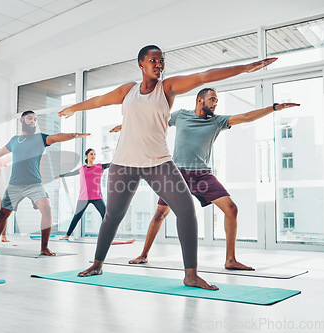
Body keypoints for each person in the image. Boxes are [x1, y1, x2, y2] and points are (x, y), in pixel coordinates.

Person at [59, 44, 277, 290]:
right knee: (113, 216)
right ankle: (97, 263)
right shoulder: (128, 90)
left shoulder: (167, 88)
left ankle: (191, 274)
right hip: (124, 163)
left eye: (161, 61)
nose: (159, 64)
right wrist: (73, 108)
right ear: (141, 63)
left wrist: (245, 68)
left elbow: (204, 76)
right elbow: (99, 101)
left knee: (186, 210)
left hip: (158, 162)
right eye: (153, 60)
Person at [110, 88, 299, 269]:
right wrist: (127, 127)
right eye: (213, 99)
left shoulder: (218, 121)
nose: (215, 103)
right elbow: (155, 121)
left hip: (202, 175)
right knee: (159, 215)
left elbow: (247, 116)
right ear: (200, 100)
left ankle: (230, 260)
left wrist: (274, 108)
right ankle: (143, 255)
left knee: (231, 209)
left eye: (216, 100)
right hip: (177, 174)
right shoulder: (181, 115)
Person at [0, 110, 90, 256]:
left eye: (35, 119)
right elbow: (0, 153)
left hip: (34, 184)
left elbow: (56, 138)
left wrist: (73, 135)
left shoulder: (40, 138)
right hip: (15, 185)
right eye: (30, 118)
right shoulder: (14, 140)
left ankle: (44, 247)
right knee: (3, 214)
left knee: (47, 209)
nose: (33, 121)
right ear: (22, 121)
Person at [54, 148, 110, 240]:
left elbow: (111, 164)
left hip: (96, 197)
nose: (93, 156)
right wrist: (61, 175)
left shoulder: (99, 167)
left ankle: (107, 236)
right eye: (91, 154)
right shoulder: (82, 169)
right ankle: (67, 235)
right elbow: (72, 173)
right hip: (83, 197)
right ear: (86, 156)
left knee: (105, 216)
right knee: (76, 216)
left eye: (94, 154)